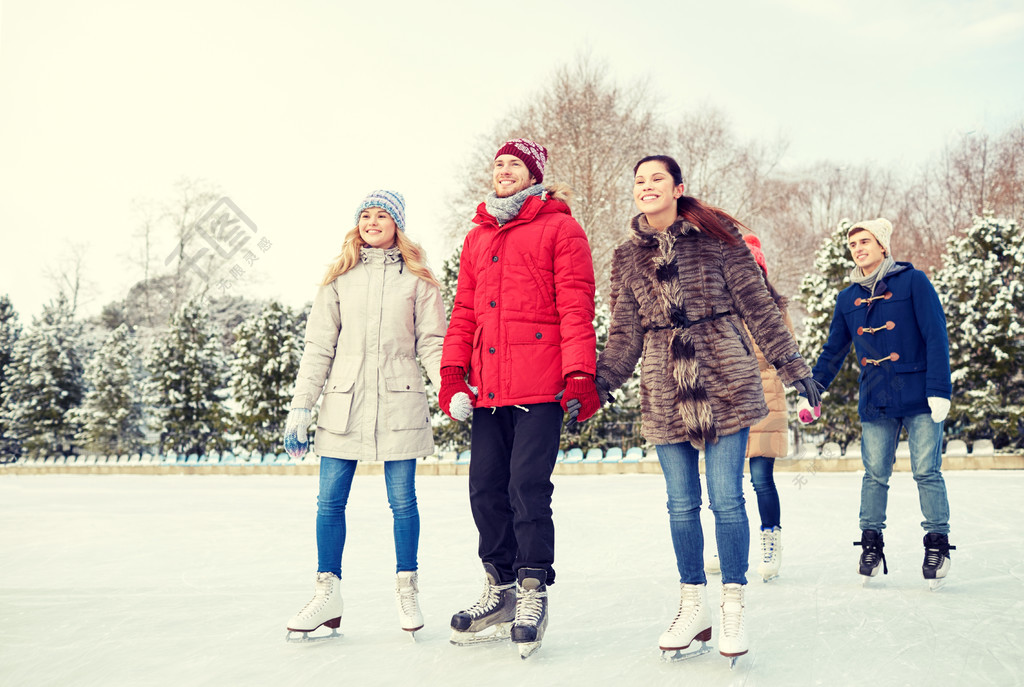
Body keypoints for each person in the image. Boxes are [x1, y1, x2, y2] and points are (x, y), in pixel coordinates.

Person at [592, 155, 819, 665]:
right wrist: (600, 384)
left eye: (657, 179)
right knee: (679, 504)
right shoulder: (626, 258)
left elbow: (759, 307)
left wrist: (791, 365)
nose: (646, 187)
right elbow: (624, 334)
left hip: (724, 380)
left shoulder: (719, 240)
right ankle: (692, 602)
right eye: (639, 181)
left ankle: (733, 602)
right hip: (663, 385)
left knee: (727, 500)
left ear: (678, 188)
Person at [437, 138, 598, 658]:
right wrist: (451, 374)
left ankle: (532, 590)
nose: (503, 171)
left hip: (541, 382)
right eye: (498, 164)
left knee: (527, 487)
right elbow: (463, 312)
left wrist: (579, 373)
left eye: (514, 165)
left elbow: (576, 305)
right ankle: (499, 589)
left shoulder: (561, 228)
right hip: (489, 389)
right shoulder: (477, 237)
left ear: (533, 176)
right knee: (485, 489)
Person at [281, 190, 447, 641]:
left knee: (403, 502)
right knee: (329, 502)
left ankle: (407, 587)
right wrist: (302, 406)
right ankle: (326, 593)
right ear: (358, 225)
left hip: (399, 401)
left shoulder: (420, 280)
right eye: (366, 215)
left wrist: (449, 387)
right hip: (344, 402)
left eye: (383, 215)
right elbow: (318, 347)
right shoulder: (339, 279)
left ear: (398, 225)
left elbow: (432, 342)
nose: (373, 221)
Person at [803, 218, 954, 588]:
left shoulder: (913, 282)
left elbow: (936, 335)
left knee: (926, 471)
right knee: (874, 475)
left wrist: (940, 389)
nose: (858, 247)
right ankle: (871, 544)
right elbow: (833, 351)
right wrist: (813, 389)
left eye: (865, 241)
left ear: (883, 246)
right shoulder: (847, 298)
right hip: (877, 395)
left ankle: (938, 545)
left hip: (920, 394)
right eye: (852, 243)